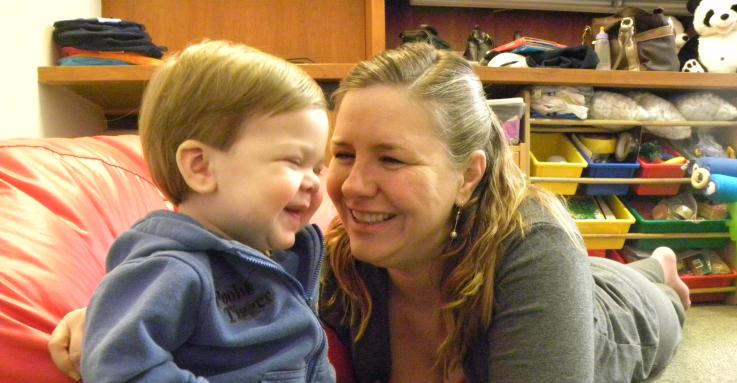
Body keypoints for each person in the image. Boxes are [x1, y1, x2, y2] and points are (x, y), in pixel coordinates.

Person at [50, 43, 689, 383]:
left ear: (468, 174)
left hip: (622, 317)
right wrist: (103, 313)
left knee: (649, 290)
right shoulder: (331, 255)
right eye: (344, 153)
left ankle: (658, 270)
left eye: (391, 159)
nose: (352, 186)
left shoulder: (533, 244)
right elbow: (217, 284)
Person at [71, 40, 334, 382]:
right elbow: (120, 368)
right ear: (201, 168)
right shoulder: (171, 269)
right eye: (294, 162)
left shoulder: (289, 257)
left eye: (317, 167)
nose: (314, 183)